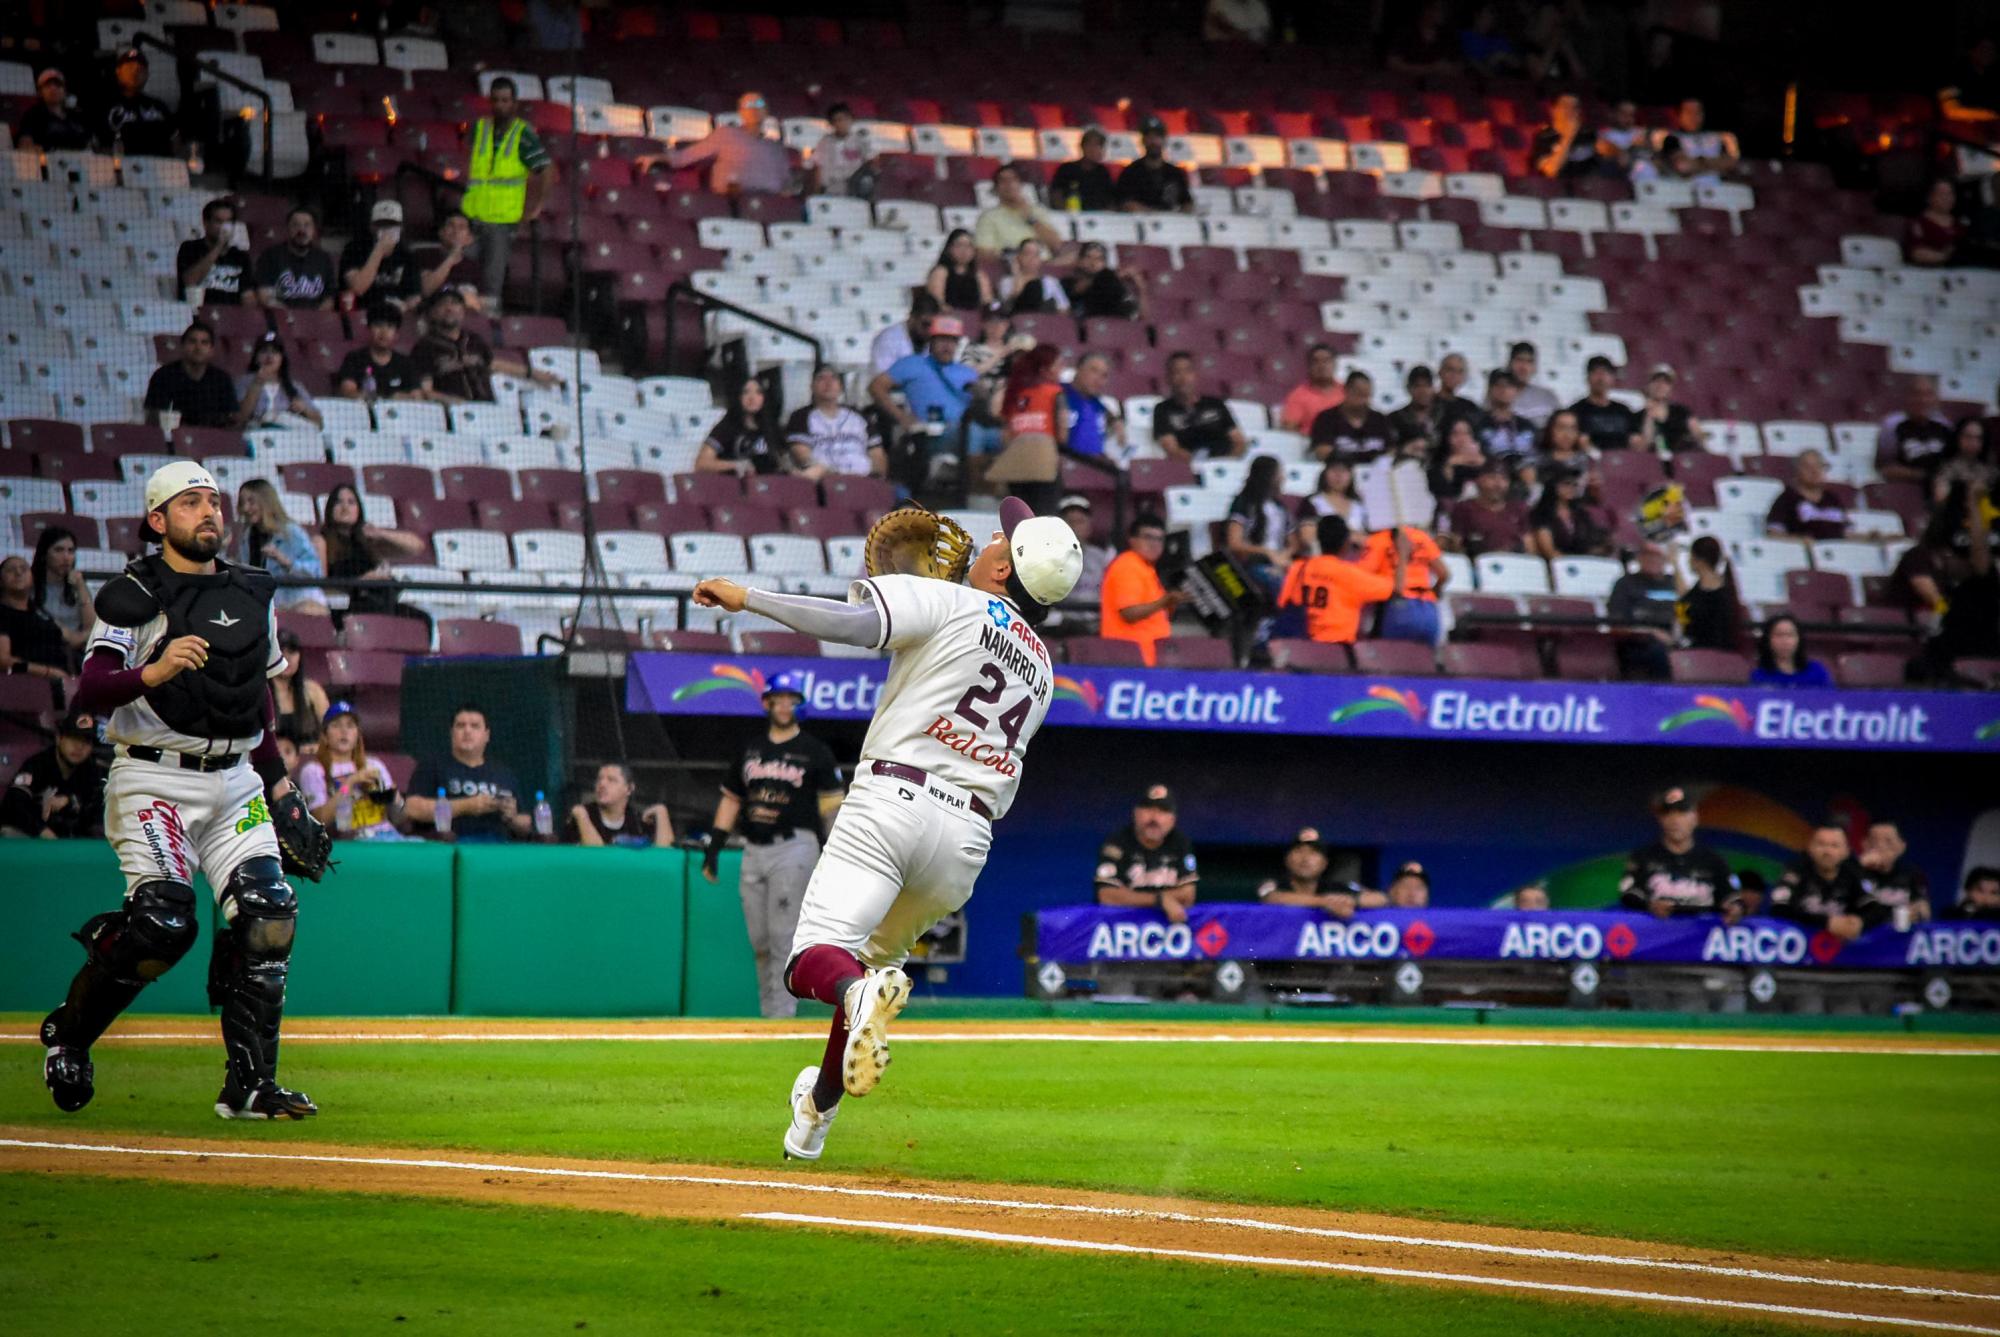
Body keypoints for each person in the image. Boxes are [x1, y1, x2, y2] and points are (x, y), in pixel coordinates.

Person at [687, 495, 1084, 1161]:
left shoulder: (952, 601)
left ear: (1002, 571)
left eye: (1002, 539)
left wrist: (747, 597)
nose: (990, 536)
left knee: (810, 962)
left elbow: (852, 624)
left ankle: (855, 992)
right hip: (964, 842)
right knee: (870, 970)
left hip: (894, 799)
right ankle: (814, 1117)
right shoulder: (1043, 668)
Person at [41, 461, 317, 1119]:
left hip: (235, 778)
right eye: (190, 502)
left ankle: (250, 1084)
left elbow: (252, 698)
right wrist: (155, 670)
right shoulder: (134, 592)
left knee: (270, 914)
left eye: (213, 501)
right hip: (152, 776)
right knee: (162, 925)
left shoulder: (251, 591)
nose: (208, 511)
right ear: (158, 519)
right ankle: (69, 1035)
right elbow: (90, 691)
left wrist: (281, 787)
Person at [702, 673, 846, 1019]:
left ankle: (782, 1017)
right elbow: (732, 799)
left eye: (790, 700)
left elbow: (833, 807)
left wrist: (839, 853)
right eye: (777, 699)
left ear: (799, 705)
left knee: (783, 936)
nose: (784, 706)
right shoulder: (751, 749)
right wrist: (714, 847)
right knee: (760, 941)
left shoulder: (814, 751)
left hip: (794, 845)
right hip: (754, 847)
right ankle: (770, 1015)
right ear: (766, 704)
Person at [463, 76, 554, 310]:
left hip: (501, 222)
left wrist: (537, 207)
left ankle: (491, 320)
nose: (500, 106)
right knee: (464, 275)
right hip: (472, 216)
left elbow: (546, 170)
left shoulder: (522, 134)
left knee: (491, 282)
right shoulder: (479, 128)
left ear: (514, 103)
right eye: (495, 100)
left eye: (505, 100)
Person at [403, 704, 533, 842]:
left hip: (497, 846)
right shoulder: (432, 766)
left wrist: (512, 818)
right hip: (450, 845)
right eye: (460, 726)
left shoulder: (503, 773)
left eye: (475, 726)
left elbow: (526, 823)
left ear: (487, 735)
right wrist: (467, 805)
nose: (467, 731)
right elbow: (411, 808)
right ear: (452, 733)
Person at [1616, 786, 1744, 920]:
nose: (1674, 820)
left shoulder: (1714, 860)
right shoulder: (1643, 857)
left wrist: (1736, 908)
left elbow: (1733, 897)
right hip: (1658, 930)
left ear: (1695, 818)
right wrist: (1649, 905)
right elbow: (1629, 894)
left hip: (1701, 931)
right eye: (1668, 814)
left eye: (1682, 813)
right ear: (1660, 819)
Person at [1277, 515, 1406, 646]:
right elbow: (1397, 589)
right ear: (1346, 543)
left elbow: (1282, 603)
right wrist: (1402, 553)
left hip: (1301, 646)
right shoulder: (1350, 575)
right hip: (1337, 648)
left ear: (1319, 540)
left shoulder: (1299, 567)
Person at [870, 315, 979, 460]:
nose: (947, 346)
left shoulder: (968, 372)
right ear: (931, 342)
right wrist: (901, 417)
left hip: (966, 430)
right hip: (929, 432)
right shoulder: (913, 363)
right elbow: (876, 387)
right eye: (942, 340)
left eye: (952, 341)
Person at [315, 482, 428, 619]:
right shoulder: (321, 542)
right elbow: (319, 587)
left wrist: (381, 533)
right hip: (348, 604)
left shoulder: (367, 541)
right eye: (338, 502)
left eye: (351, 502)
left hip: (379, 598)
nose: (345, 508)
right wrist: (360, 582)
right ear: (330, 509)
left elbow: (417, 547)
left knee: (422, 619)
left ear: (359, 509)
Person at [1094, 784, 1200, 923]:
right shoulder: (1117, 844)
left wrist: (1133, 898)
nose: (1154, 818)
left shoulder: (1180, 843)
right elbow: (1107, 896)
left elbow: (1188, 896)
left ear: (1172, 820)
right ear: (1136, 813)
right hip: (1122, 927)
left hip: (1167, 929)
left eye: (1162, 811)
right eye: (1148, 809)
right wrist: (1160, 900)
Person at [413, 288, 541, 402]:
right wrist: (455, 403)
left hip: (486, 407)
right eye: (442, 304)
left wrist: (532, 373)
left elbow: (493, 364)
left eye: (455, 303)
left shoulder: (474, 340)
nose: (449, 309)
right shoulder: (424, 347)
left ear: (463, 311)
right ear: (432, 313)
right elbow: (425, 391)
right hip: (451, 412)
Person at [297, 701, 402, 840]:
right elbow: (319, 820)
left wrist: (394, 798)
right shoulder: (313, 771)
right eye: (336, 725)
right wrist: (349, 783)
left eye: (350, 725)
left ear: (357, 735)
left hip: (388, 835)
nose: (344, 731)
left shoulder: (374, 765)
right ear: (325, 736)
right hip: (351, 841)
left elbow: (399, 817)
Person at [665, 90, 793, 197]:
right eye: (748, 105)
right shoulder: (725, 134)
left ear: (766, 112)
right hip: (732, 200)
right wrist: (664, 153)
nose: (754, 109)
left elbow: (786, 182)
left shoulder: (775, 146)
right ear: (741, 112)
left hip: (770, 202)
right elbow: (682, 158)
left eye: (759, 104)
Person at [229, 480, 330, 616]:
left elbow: (316, 571)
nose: (245, 508)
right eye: (242, 503)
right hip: (267, 606)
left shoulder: (291, 532)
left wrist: (285, 562)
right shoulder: (247, 537)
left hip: (299, 602)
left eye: (251, 502)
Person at [1, 710, 105, 839]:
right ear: (58, 738)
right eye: (73, 738)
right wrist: (41, 830)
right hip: (33, 838)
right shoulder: (37, 765)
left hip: (71, 841)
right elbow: (13, 803)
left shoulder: (92, 771)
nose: (79, 746)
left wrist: (69, 801)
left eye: (86, 741)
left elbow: (97, 806)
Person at [1099, 513, 1182, 665]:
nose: (1154, 544)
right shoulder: (1127, 565)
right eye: (1148, 537)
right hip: (1128, 657)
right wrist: (1164, 602)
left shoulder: (1147, 569)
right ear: (1132, 540)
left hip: (1146, 657)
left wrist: (1170, 603)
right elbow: (1129, 613)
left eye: (1159, 539)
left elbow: (1158, 614)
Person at [1769, 824, 1868, 941]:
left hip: (1840, 946)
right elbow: (1779, 908)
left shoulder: (1853, 875)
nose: (1827, 851)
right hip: (1797, 943)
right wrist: (1826, 923)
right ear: (1810, 848)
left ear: (1846, 852)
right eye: (1821, 844)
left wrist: (1861, 921)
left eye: (1834, 846)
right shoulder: (1795, 872)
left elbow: (1874, 908)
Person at [785, 366, 887, 479]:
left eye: (833, 378)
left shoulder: (860, 416)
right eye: (821, 378)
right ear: (812, 386)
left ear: (841, 387)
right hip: (823, 479)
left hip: (862, 479)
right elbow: (801, 455)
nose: (828, 383)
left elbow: (877, 454)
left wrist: (876, 478)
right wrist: (828, 474)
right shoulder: (800, 416)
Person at [1255, 827, 1382, 917]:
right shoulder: (1274, 883)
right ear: (1287, 859)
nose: (1305, 858)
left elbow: (1380, 898)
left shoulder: (1335, 886)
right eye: (1299, 851)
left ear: (1324, 863)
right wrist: (1325, 903)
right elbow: (1272, 898)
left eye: (1313, 853)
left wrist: (1350, 901)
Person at [1224, 455, 1297, 606]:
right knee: (1280, 583)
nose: (1283, 478)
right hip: (1253, 562)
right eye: (1279, 473)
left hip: (1280, 561)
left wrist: (1283, 556)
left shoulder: (1280, 508)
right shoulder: (1244, 503)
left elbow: (1293, 543)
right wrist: (1267, 552)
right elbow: (1234, 543)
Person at [1361, 522, 1447, 644]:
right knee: (1426, 655)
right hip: (1428, 608)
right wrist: (1435, 591)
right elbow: (1444, 574)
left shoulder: (1378, 540)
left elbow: (1362, 575)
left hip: (1397, 606)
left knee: (1391, 653)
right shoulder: (1421, 537)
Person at [144, 321, 239, 429]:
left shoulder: (222, 379)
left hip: (211, 436)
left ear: (211, 350)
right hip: (173, 436)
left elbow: (231, 419)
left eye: (204, 343)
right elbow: (153, 418)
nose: (198, 347)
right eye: (192, 341)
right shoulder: (163, 376)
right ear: (182, 346)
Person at [1607, 541, 1680, 679]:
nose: (1652, 560)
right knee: (1659, 654)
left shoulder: (1673, 583)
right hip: (1638, 643)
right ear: (1639, 558)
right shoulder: (1625, 584)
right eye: (1647, 555)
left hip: (1673, 639)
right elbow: (1617, 624)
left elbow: (1685, 611)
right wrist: (1651, 632)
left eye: (1656, 555)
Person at [1153, 352, 1246, 460]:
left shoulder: (1216, 404)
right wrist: (1200, 464)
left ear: (1196, 375)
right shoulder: (1162, 410)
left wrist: (1226, 462)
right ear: (1168, 378)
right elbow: (1172, 449)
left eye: (1188, 371)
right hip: (1191, 464)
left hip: (1225, 462)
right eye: (1177, 372)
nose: (1183, 378)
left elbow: (1239, 441)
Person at [339, 200, 423, 312]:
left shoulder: (407, 255)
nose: (387, 230)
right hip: (364, 312)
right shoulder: (354, 249)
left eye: (392, 225)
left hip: (396, 314)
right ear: (372, 227)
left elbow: (415, 296)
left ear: (401, 228)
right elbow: (358, 288)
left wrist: (405, 306)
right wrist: (379, 250)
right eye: (382, 225)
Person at [567, 762, 674, 848]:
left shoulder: (637, 821)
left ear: (629, 789)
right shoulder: (583, 816)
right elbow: (597, 856)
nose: (602, 784)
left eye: (611, 780)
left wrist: (661, 812)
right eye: (599, 779)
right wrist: (581, 817)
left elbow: (664, 855)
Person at [0, 554, 70, 683]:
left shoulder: (40, 612)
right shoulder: (3, 613)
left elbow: (72, 639)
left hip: (63, 682)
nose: (18, 573)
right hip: (25, 684)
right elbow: (3, 660)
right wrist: (47, 672)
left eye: (24, 568)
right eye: (11, 570)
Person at [698, 376, 787, 476]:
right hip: (737, 482)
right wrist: (735, 465)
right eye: (746, 392)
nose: (752, 398)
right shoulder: (726, 427)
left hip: (771, 482)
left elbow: (784, 459)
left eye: (758, 392)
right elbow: (702, 463)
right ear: (738, 396)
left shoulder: (772, 428)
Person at [31, 525, 94, 665]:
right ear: (44, 554)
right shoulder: (30, 588)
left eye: (71, 551)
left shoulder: (78, 586)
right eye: (58, 550)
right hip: (43, 652)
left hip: (77, 653)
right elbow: (69, 637)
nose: (66, 557)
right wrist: (82, 637)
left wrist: (81, 586)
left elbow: (92, 626)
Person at [974, 162, 1064, 260]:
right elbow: (984, 252)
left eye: (1014, 179)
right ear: (996, 188)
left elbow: (1056, 245)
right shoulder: (988, 217)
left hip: (1042, 264)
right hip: (1011, 265)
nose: (1009, 184)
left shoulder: (1037, 211)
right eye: (1003, 181)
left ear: (1021, 185)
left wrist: (1031, 219)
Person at [336, 305, 428, 401]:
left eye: (390, 327)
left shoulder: (405, 363)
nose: (384, 332)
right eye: (378, 325)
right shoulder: (354, 359)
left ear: (397, 334)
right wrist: (387, 398)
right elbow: (348, 392)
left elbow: (417, 396)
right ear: (368, 329)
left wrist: (405, 398)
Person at [253, 207, 336, 311]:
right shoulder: (270, 256)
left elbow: (329, 299)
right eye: (296, 225)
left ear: (314, 231)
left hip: (315, 318)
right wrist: (290, 316)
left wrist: (313, 317)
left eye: (307, 225)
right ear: (287, 229)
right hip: (280, 317)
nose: (301, 230)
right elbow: (265, 296)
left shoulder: (324, 259)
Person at [97, 48, 175, 158]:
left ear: (147, 74)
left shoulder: (159, 106)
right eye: (129, 67)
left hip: (160, 165)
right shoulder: (103, 106)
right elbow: (96, 147)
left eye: (140, 69)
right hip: (119, 165)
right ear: (118, 71)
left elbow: (176, 141)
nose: (134, 72)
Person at [1877, 375, 1953, 485]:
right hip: (1903, 487)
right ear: (1907, 397)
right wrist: (1925, 475)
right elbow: (1885, 468)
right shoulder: (1891, 425)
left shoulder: (1945, 425)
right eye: (1917, 394)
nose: (1922, 400)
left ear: (1935, 398)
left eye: (1928, 394)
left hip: (1940, 488)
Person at [177, 197, 254, 308]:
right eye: (219, 221)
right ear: (206, 223)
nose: (224, 227)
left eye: (228, 222)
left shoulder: (241, 257)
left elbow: (247, 295)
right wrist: (218, 247)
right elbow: (190, 281)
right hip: (197, 312)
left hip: (229, 314)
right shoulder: (190, 248)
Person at [233, 336, 322, 430]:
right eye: (264, 351)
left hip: (286, 434)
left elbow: (320, 424)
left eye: (275, 352)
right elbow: (239, 418)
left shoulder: (294, 386)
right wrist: (257, 383)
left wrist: (304, 409)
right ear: (256, 357)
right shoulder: (244, 382)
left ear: (282, 358)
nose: (269, 356)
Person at [1856, 820, 1931, 926]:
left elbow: (1924, 911)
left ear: (1902, 846)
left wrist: (1918, 912)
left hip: (1898, 934)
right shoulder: (1854, 873)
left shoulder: (1912, 875)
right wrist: (1859, 866)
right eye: (1874, 841)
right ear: (1864, 844)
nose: (1881, 846)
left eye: (1888, 842)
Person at [1447, 459, 1528, 557]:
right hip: (1478, 561)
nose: (1498, 484)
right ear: (1478, 480)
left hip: (1514, 561)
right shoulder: (1464, 508)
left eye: (1504, 479)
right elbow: (1456, 544)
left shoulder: (1518, 508)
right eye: (1492, 478)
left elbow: (1528, 543)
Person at [1309, 371, 1394, 463]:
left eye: (1366, 395)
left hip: (1374, 470)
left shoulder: (1379, 419)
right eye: (1358, 394)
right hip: (1339, 469)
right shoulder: (1326, 418)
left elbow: (1391, 451)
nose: (1363, 400)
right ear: (1346, 390)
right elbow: (1322, 453)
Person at [1765, 451, 1850, 539]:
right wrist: (1800, 540)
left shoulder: (1833, 500)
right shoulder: (1786, 500)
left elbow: (1847, 533)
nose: (1814, 471)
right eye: (1808, 467)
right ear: (1797, 470)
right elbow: (1773, 534)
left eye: (1819, 466)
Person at [1529, 466, 1610, 559]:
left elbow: (1590, 540)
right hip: (1556, 563)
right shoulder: (1542, 513)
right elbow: (1548, 550)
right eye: (1566, 483)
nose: (1571, 488)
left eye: (1574, 484)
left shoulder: (1581, 514)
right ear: (1554, 485)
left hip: (1581, 561)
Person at [1117, 115, 1193, 213]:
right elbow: (1125, 204)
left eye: (1157, 137)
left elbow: (1187, 203)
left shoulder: (1175, 173)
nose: (1153, 141)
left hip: (1170, 221)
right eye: (1149, 137)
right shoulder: (1130, 172)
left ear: (1164, 140)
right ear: (1143, 141)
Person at [1677, 535, 1741, 650]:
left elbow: (1683, 617)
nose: (1688, 561)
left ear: (1699, 561)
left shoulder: (1711, 597)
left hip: (1706, 651)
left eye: (1690, 556)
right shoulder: (1726, 589)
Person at [268, 628, 330, 745]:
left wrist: (316, 747)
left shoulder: (313, 691)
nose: (287, 658)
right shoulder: (257, 693)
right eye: (280, 652)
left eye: (292, 652)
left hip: (308, 755)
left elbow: (330, 733)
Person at [1061, 352, 1126, 459]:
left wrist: (1117, 422)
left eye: (1104, 375)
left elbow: (1111, 417)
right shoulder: (1057, 394)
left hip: (1092, 465)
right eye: (1094, 371)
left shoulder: (1098, 405)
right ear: (1078, 368)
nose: (1098, 379)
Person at [1567, 356, 1639, 452]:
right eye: (1596, 373)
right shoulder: (1576, 411)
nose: (1600, 378)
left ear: (1612, 379)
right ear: (1587, 378)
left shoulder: (1623, 410)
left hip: (1623, 458)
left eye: (1605, 373)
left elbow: (1636, 441)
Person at [1657, 98, 1741, 179]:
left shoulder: (1717, 138)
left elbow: (1732, 164)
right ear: (1680, 115)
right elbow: (1683, 166)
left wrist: (1698, 163)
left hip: (1718, 186)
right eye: (1689, 112)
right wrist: (1715, 164)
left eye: (1698, 112)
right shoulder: (1672, 138)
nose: (1693, 116)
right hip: (1685, 187)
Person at [1061, 241, 1141, 320]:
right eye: (1088, 257)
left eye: (1099, 259)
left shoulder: (1110, 284)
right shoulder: (1067, 283)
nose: (1093, 262)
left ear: (1105, 264)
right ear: (1080, 261)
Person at [1057, 495, 1114, 606]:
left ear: (1089, 526)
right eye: (1070, 522)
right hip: (1061, 615)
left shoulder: (1102, 558)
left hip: (1094, 615)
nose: (1074, 527)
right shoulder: (1049, 557)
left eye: (1080, 521)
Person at [869, 290, 940, 377]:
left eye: (933, 326)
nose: (929, 331)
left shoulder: (932, 340)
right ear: (912, 318)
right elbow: (881, 379)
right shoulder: (888, 339)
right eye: (925, 324)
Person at [809, 102, 874, 197]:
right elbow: (819, 167)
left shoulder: (860, 141)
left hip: (854, 189)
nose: (842, 123)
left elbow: (869, 163)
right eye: (837, 120)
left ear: (851, 120)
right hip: (830, 188)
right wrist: (817, 191)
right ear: (832, 124)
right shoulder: (825, 142)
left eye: (845, 119)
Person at [15, 67, 90, 150]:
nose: (53, 88)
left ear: (65, 90)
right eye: (48, 85)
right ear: (40, 92)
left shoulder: (76, 116)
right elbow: (25, 144)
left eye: (58, 84)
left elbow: (90, 143)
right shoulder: (33, 116)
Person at [1749, 614, 1832, 687]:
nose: (1785, 641)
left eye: (1790, 635)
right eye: (1779, 635)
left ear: (1799, 639)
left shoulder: (1817, 671)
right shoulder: (1759, 675)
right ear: (1768, 640)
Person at [1930, 418, 1996, 509]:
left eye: (1978, 438)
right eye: (1968, 437)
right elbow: (1940, 495)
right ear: (1958, 438)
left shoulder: (1989, 467)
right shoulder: (1947, 466)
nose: (1973, 442)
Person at [1635, 365, 1702, 454]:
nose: (1660, 385)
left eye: (1666, 382)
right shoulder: (1638, 417)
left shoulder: (1682, 412)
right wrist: (1649, 415)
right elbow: (1643, 447)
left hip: (1681, 457)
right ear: (1648, 386)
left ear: (1671, 388)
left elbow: (1698, 435)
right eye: (1656, 380)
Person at [1279, 343, 1345, 433]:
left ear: (1335, 365)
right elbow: (1289, 429)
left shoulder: (1347, 391)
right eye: (1316, 361)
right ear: (1309, 366)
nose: (1321, 366)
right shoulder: (1298, 396)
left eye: (1326, 360)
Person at [1299, 459, 1370, 542]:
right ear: (1324, 474)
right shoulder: (1312, 502)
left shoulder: (1359, 504)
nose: (1338, 475)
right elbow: (1307, 537)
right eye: (1333, 470)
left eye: (1343, 470)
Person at [1048, 126, 1116, 212]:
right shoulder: (1067, 169)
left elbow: (1111, 201)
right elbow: (1056, 196)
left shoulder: (1103, 172)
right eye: (1090, 145)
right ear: (1082, 147)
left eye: (1099, 146)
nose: (1094, 150)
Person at [1532, 91, 1598, 180]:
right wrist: (1569, 136)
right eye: (1565, 106)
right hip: (1556, 186)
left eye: (1575, 107)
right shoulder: (1544, 137)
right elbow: (1551, 171)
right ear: (1553, 110)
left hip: (1588, 185)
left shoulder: (1588, 134)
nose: (1570, 110)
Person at [998, 238, 1071, 315]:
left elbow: (1064, 309)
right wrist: (1016, 274)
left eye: (1036, 255)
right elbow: (1007, 308)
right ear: (1019, 257)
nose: (1032, 258)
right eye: (1028, 254)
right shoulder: (1007, 281)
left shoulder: (1050, 281)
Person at [1906, 180, 1965, 268]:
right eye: (1942, 194)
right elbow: (1917, 253)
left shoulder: (1960, 224)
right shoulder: (1919, 223)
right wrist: (1946, 256)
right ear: (1929, 197)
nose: (1947, 198)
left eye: (1950, 194)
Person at [1388, 365, 1444, 450]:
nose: (1423, 391)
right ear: (1408, 389)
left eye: (1427, 385)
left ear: (1433, 388)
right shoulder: (1395, 418)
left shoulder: (1445, 415)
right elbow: (1389, 449)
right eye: (1417, 386)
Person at [1506, 342, 1562, 427]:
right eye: (1519, 360)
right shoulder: (1499, 395)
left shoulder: (1548, 397)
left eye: (1529, 361)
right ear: (1510, 364)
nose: (1523, 367)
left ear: (1534, 367)